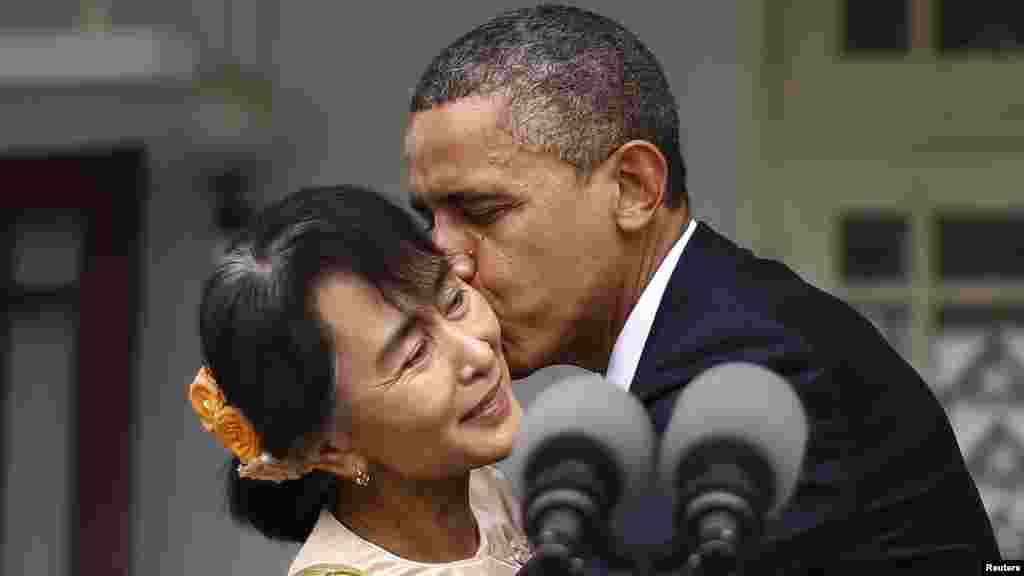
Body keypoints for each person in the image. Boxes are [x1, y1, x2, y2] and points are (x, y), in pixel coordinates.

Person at [402, 4, 1001, 572]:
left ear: (634, 188)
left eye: (481, 210)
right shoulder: (707, 337)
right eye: (429, 218)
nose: (446, 259)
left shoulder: (753, 375)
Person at [187, 185, 531, 575]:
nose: (479, 354)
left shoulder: (494, 494)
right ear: (328, 448)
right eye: (415, 354)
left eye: (454, 301)